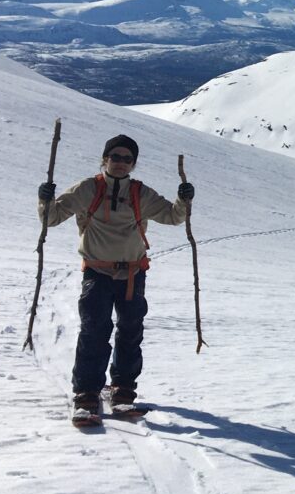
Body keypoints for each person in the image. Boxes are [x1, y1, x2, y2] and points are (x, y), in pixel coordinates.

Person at [38, 134, 194, 425]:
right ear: (105, 159)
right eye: (116, 157)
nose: (121, 163)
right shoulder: (89, 188)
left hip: (133, 273)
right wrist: (44, 200)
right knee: (95, 331)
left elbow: (173, 217)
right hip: (98, 271)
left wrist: (183, 200)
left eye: (127, 159)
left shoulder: (140, 193)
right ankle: (86, 394)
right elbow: (52, 218)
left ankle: (123, 392)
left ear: (133, 164)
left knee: (130, 331)